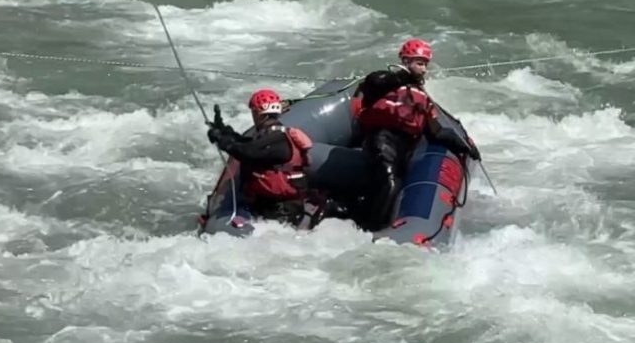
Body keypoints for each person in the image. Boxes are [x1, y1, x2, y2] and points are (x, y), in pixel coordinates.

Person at [352, 38, 481, 230]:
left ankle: (372, 220)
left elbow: (436, 132)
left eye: (425, 65)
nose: (424, 70)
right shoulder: (388, 83)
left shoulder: (422, 98)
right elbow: (372, 82)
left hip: (402, 148)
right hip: (382, 140)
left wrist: (465, 146)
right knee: (390, 183)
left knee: (394, 184)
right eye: (419, 63)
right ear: (405, 62)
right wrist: (399, 78)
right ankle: (371, 228)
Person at [206, 88, 327, 228]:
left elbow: (249, 153)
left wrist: (222, 141)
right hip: (268, 205)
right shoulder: (270, 136)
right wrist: (224, 131)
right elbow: (247, 144)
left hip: (282, 211)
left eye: (253, 112)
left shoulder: (278, 140)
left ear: (258, 113)